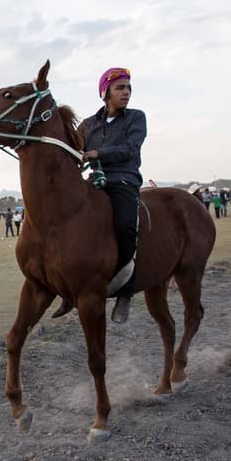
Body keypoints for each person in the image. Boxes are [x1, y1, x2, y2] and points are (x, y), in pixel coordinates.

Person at [77, 67, 147, 324]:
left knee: (126, 225)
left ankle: (126, 291)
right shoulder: (87, 125)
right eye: (120, 88)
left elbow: (131, 149)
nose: (126, 92)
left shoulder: (136, 118)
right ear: (105, 92)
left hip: (124, 179)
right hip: (94, 182)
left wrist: (98, 154)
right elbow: (73, 150)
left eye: (128, 88)